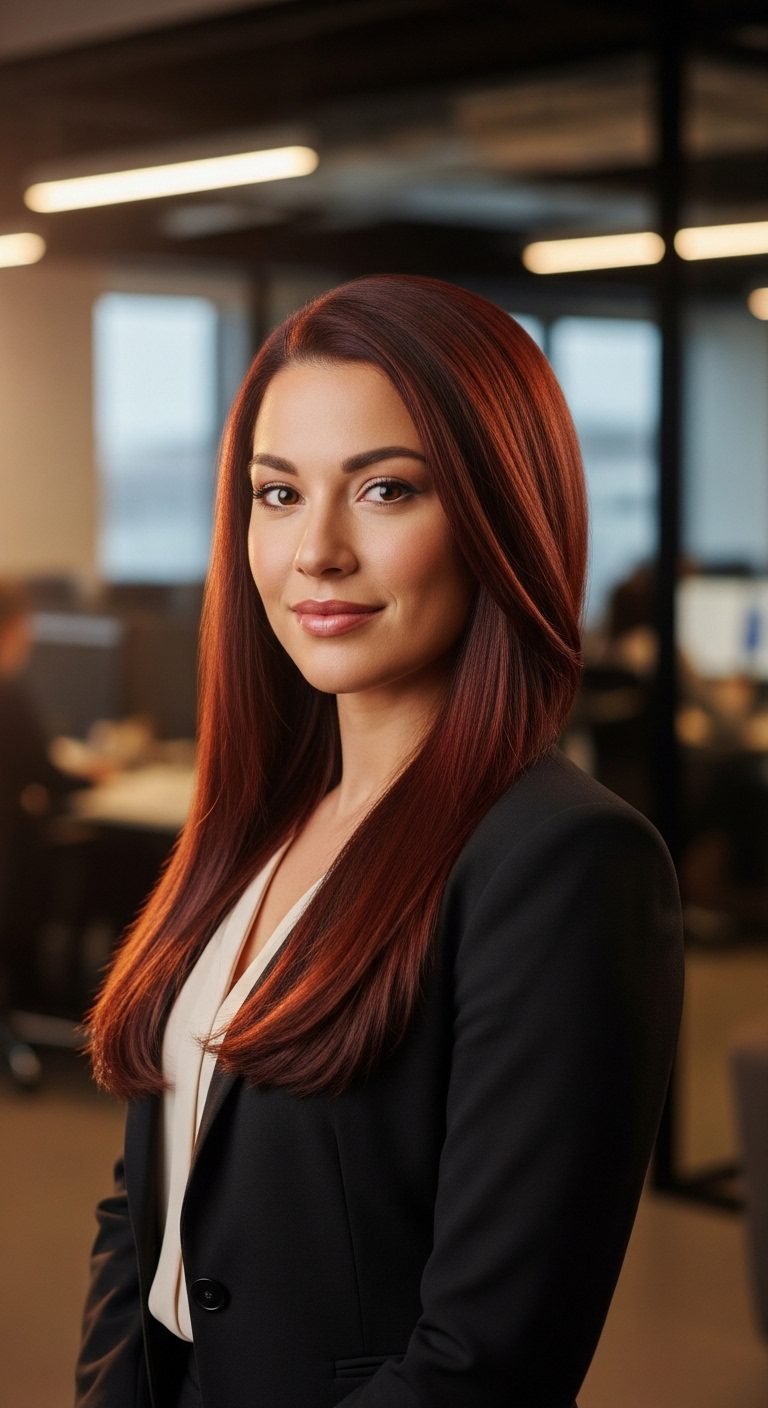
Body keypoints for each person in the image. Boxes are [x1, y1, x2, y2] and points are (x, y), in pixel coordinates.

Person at [75, 275, 685, 1408]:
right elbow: (148, 1201)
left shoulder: (561, 862)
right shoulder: (256, 825)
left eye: (387, 489)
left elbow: (488, 1359)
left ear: (502, 512)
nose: (317, 551)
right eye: (276, 493)